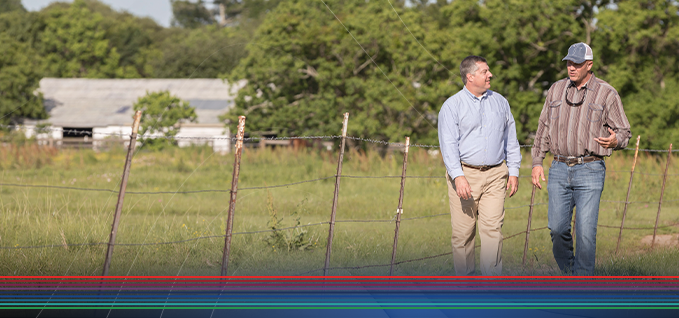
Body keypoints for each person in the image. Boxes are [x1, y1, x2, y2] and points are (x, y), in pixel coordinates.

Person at [531, 42, 631, 275]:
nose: (571, 67)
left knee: (585, 232)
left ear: (589, 65)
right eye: (568, 63)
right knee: (557, 228)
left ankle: (582, 283)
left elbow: (625, 131)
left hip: (590, 168)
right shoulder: (555, 90)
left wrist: (616, 140)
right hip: (558, 167)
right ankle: (570, 273)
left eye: (576, 63)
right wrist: (537, 162)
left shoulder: (607, 93)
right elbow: (543, 128)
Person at [438, 55, 521, 276]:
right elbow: (448, 145)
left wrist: (513, 171)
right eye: (485, 71)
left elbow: (510, 139)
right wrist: (458, 176)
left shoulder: (501, 102)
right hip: (466, 175)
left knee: (493, 230)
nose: (490, 75)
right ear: (470, 76)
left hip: (496, 174)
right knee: (463, 234)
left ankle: (491, 287)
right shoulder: (452, 106)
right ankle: (464, 288)